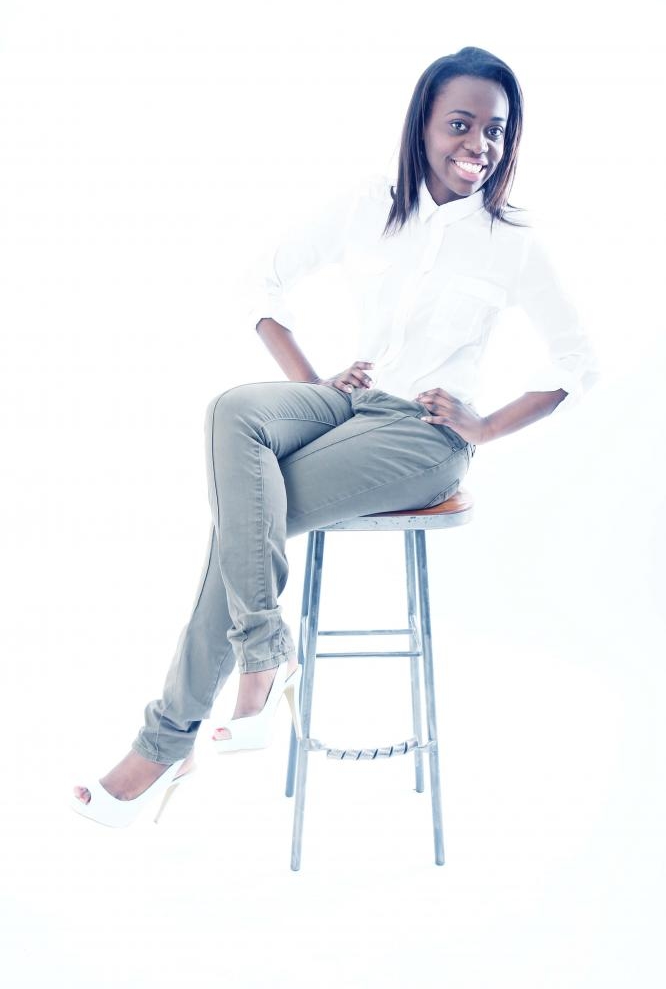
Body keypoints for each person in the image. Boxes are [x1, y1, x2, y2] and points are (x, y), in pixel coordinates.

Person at [72, 45, 598, 826]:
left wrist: (484, 427)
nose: (479, 146)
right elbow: (261, 282)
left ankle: (164, 746)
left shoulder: (511, 240)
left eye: (495, 130)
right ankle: (261, 655)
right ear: (423, 125)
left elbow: (578, 364)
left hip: (423, 438)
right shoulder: (368, 206)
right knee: (234, 410)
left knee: (243, 526)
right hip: (351, 405)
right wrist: (314, 382)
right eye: (460, 125)